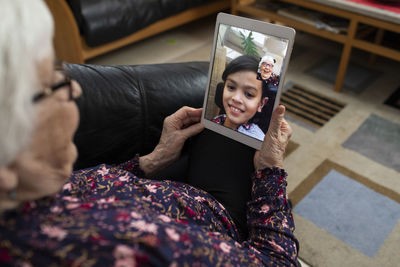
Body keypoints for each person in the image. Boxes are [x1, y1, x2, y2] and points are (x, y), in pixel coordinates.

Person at [0, 1, 299, 266]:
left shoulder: (27, 195)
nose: (75, 87)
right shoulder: (125, 244)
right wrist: (271, 172)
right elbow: (277, 260)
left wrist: (151, 161)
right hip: (223, 222)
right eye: (54, 83)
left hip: (168, 186)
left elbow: (98, 184)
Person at [213, 55, 269, 141]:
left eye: (249, 94)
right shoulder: (216, 120)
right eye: (231, 87)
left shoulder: (260, 142)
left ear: (261, 104)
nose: (236, 98)